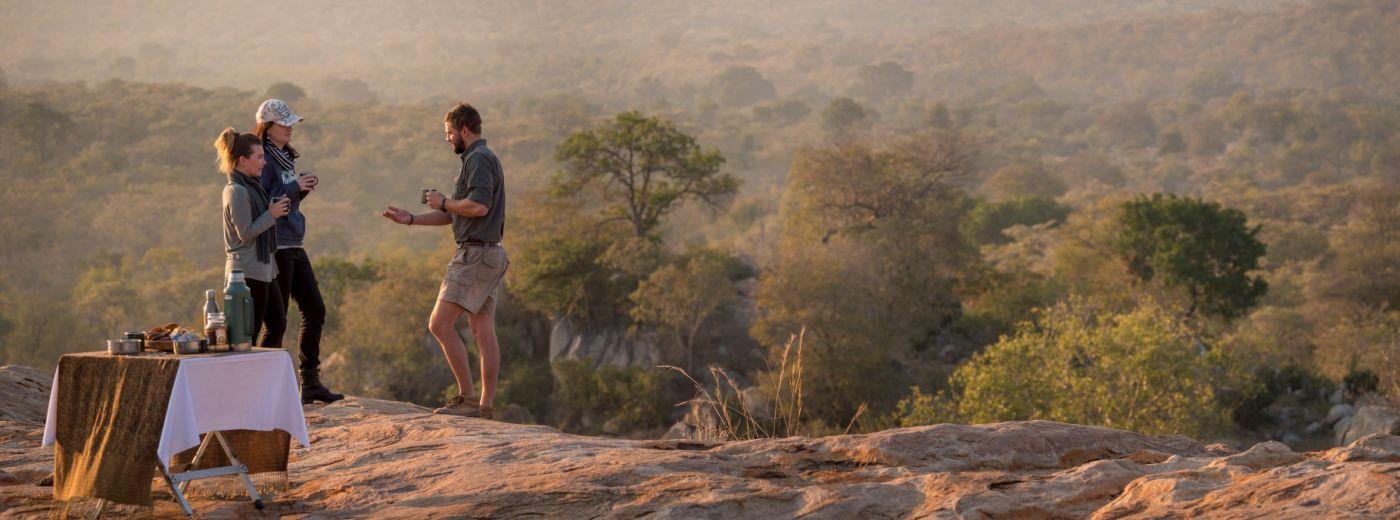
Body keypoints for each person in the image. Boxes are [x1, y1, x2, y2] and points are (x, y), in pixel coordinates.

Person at [381, 102, 508, 419]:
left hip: (475, 255)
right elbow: (456, 215)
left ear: (464, 130)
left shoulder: (478, 159)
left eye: (450, 133)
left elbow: (478, 207)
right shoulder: (478, 159)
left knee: (439, 324)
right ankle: (485, 406)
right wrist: (411, 218)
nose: (448, 139)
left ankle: (466, 398)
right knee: (482, 330)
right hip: (489, 253)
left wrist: (445, 201)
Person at [253, 99, 343, 405]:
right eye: (283, 123)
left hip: (294, 242)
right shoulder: (262, 157)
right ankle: (261, 389)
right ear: (267, 127)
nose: (289, 128)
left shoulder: (284, 156)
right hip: (277, 246)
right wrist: (295, 187)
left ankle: (310, 382)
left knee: (314, 309)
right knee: (276, 321)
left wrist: (301, 188)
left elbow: (288, 198)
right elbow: (265, 200)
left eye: (291, 123)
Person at [215, 128, 290, 345]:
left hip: (266, 268)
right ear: (243, 161)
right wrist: (271, 214)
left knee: (277, 325)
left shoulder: (254, 187)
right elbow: (245, 233)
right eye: (259, 157)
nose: (264, 162)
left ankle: (263, 373)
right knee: (248, 333)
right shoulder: (236, 191)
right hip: (245, 273)